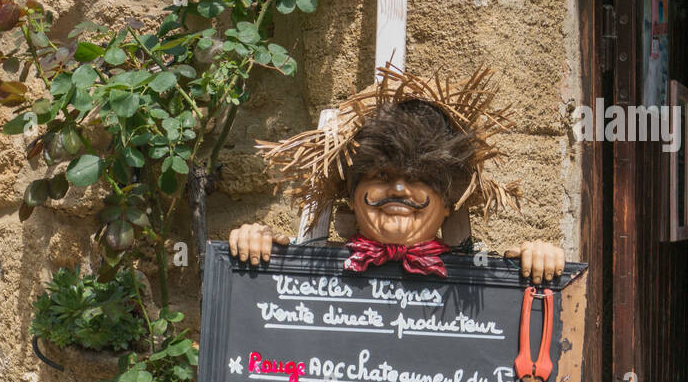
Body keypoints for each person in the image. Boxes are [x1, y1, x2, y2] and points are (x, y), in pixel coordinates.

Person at [228, 66, 565, 285]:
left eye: (420, 178)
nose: (400, 188)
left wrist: (539, 262)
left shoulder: (475, 286)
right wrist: (253, 252)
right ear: (351, 191)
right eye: (382, 174)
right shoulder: (311, 279)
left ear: (449, 202)